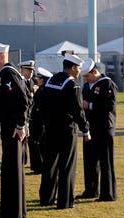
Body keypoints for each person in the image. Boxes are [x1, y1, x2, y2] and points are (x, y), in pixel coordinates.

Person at [0, 43, 31, 218]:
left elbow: (23, 99)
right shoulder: (7, 72)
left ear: (1, 56)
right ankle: (18, 215)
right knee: (13, 173)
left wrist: (21, 124)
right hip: (11, 128)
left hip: (12, 130)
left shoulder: (7, 73)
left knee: (11, 174)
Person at [39, 55, 90, 209]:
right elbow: (77, 110)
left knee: (50, 164)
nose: (80, 71)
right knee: (67, 165)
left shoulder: (50, 81)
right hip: (67, 130)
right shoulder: (73, 84)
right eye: (79, 68)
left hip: (50, 128)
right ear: (74, 67)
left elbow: (43, 105)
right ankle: (65, 201)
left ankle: (46, 198)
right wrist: (85, 129)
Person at [81, 59, 118, 202]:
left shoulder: (107, 84)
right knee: (90, 160)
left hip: (104, 127)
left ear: (95, 71)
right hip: (90, 127)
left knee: (105, 161)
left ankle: (108, 193)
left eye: (88, 76)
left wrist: (89, 105)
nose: (86, 79)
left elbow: (109, 106)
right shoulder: (86, 86)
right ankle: (90, 189)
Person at [28, 66, 53, 175]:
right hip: (39, 121)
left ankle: (39, 166)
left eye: (39, 78)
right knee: (38, 144)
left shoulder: (43, 91)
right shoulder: (42, 90)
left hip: (39, 121)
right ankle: (38, 166)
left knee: (37, 144)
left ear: (42, 79)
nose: (37, 79)